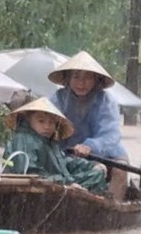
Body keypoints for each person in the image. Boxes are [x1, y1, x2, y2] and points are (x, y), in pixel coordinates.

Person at [48, 51, 129, 200]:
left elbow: (111, 134)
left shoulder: (106, 100)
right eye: (76, 76)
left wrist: (90, 146)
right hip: (68, 152)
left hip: (106, 153)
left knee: (120, 170)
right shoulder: (58, 98)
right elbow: (48, 126)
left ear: (96, 80)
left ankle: (111, 209)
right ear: (68, 78)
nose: (81, 83)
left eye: (87, 77)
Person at [2, 97, 108, 193]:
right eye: (41, 121)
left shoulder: (49, 143)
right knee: (93, 179)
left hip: (57, 182)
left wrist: (91, 166)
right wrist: (65, 184)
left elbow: (66, 162)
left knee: (97, 174)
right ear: (29, 120)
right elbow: (32, 173)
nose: (47, 126)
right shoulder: (24, 139)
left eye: (51, 122)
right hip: (36, 188)